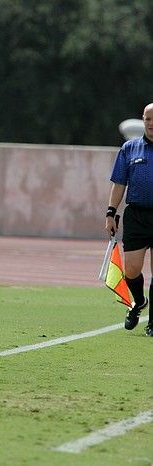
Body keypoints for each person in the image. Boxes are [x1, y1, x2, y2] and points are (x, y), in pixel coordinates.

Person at [106, 103, 153, 337]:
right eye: (148, 119)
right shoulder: (129, 149)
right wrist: (110, 213)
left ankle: (152, 323)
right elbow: (119, 183)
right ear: (143, 120)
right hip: (136, 215)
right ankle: (138, 301)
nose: (151, 123)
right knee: (132, 271)